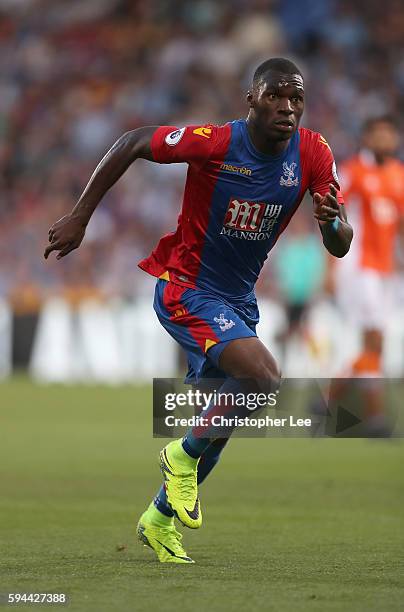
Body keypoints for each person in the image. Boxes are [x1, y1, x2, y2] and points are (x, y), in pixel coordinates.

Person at [44, 57, 353, 563]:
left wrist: (333, 221)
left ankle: (161, 519)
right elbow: (135, 141)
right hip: (186, 288)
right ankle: (179, 456)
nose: (287, 108)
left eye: (296, 98)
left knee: (224, 419)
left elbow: (339, 244)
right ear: (250, 99)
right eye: (274, 95)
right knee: (264, 379)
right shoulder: (215, 142)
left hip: (238, 299)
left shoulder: (314, 153)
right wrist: (81, 215)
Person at [332, 116, 404, 434]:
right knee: (374, 339)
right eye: (378, 134)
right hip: (360, 267)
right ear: (367, 138)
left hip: (386, 269)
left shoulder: (399, 175)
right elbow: (332, 213)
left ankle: (327, 400)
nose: (385, 139)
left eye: (389, 134)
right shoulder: (353, 171)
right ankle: (375, 419)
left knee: (375, 344)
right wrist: (329, 263)